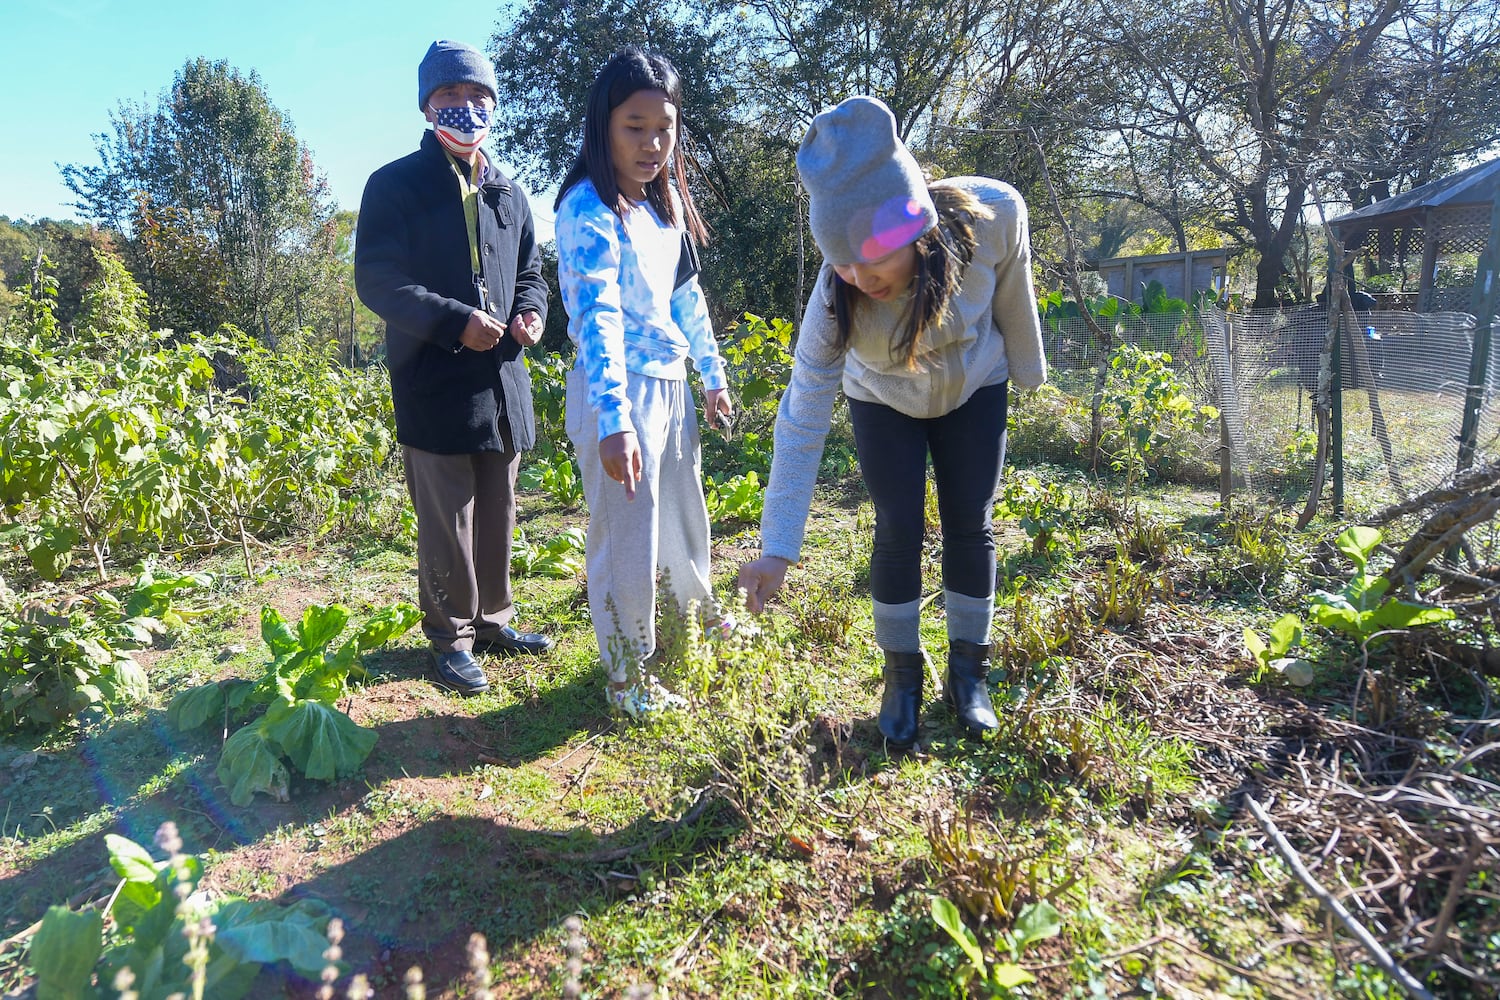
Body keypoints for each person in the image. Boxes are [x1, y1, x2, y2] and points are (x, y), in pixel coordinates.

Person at [737, 97, 1047, 750]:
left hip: (974, 386)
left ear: (913, 224)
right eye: (840, 260)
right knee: (898, 525)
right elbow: (800, 416)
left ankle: (970, 672)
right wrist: (778, 546)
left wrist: (1028, 371)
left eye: (869, 257)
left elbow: (1015, 288)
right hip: (883, 402)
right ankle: (901, 673)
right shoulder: (836, 298)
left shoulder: (994, 217)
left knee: (971, 521)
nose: (857, 276)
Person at [355, 39, 553, 697]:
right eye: (449, 98)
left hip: (502, 380)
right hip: (434, 379)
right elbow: (377, 280)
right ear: (427, 105)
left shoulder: (510, 193)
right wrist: (453, 322)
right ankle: (450, 638)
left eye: (476, 98)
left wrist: (531, 313)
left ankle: (494, 623)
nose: (465, 109)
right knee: (447, 519)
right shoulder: (394, 185)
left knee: (498, 509)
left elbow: (532, 271)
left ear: (493, 105)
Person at [554, 47, 733, 711]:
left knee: (684, 518)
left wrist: (710, 376)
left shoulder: (664, 209)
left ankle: (702, 618)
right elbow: (594, 315)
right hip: (617, 389)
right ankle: (627, 676)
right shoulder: (587, 208)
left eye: (665, 128)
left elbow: (686, 299)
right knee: (625, 541)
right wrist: (614, 420)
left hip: (669, 382)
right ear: (603, 126)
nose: (653, 143)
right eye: (635, 126)